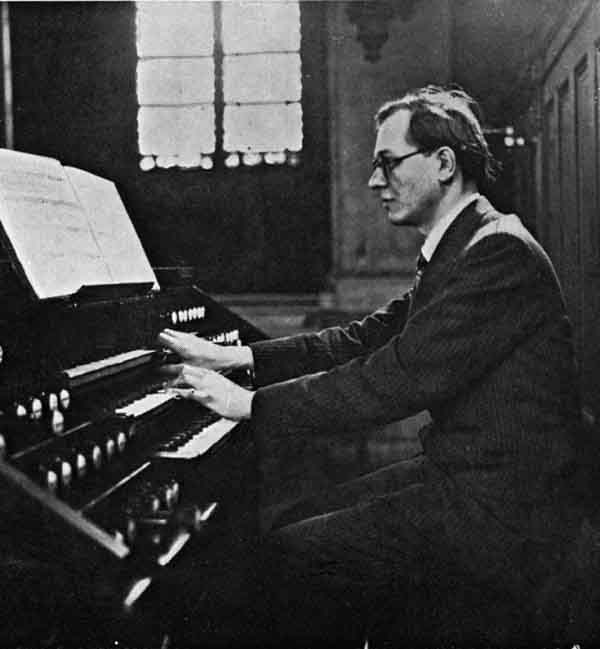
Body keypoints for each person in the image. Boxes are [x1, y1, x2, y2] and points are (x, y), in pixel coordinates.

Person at [158, 85, 586, 648]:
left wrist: (247, 404)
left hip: (507, 509)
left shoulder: (495, 251)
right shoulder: (463, 246)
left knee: (290, 557)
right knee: (292, 526)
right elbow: (363, 339)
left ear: (443, 163)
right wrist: (239, 356)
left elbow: (392, 378)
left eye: (387, 163)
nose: (372, 181)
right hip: (468, 482)